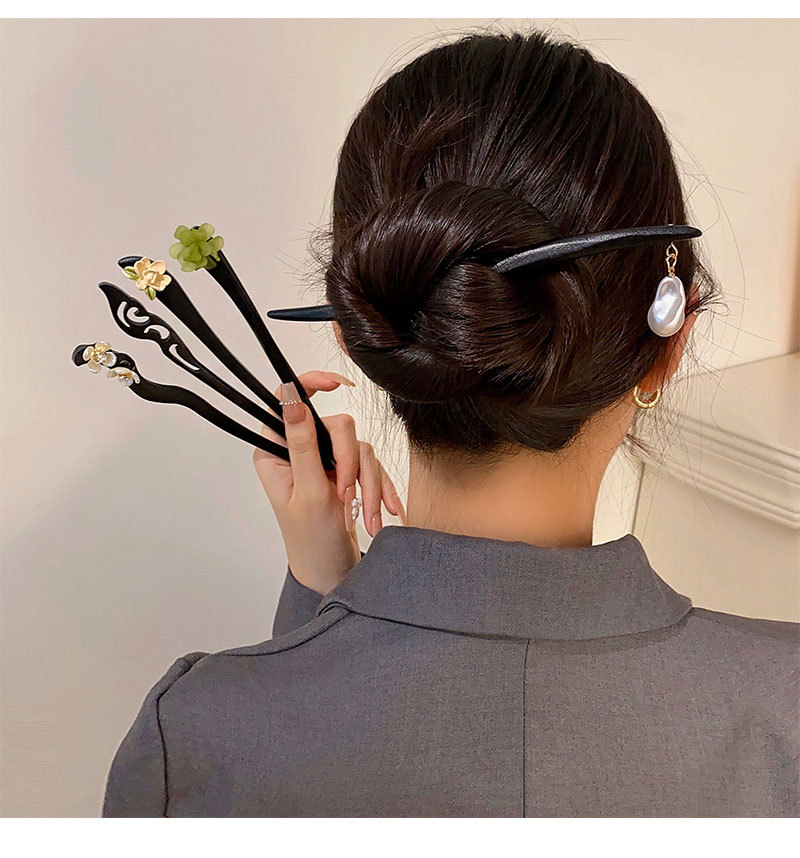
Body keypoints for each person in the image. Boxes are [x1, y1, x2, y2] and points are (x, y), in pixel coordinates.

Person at [102, 29, 799, 817]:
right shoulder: (782, 712)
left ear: (359, 333)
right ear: (668, 344)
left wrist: (325, 601)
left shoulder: (194, 734)